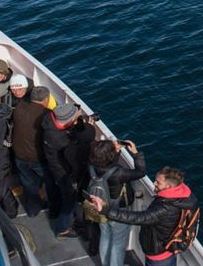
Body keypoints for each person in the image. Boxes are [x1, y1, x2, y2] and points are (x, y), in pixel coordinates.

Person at [88, 167, 198, 266]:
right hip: (166, 251)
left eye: (158, 182)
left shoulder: (165, 208)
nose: (154, 183)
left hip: (158, 256)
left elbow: (138, 218)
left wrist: (105, 210)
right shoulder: (182, 196)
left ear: (169, 186)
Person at [86, 138, 147, 266]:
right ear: (110, 156)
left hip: (100, 206)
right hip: (118, 210)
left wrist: (116, 152)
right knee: (117, 243)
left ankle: (105, 263)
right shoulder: (120, 173)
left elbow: (108, 166)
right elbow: (141, 172)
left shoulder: (91, 166)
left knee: (105, 236)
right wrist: (136, 154)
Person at [41, 102, 97, 239]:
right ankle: (63, 229)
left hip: (54, 167)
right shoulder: (59, 139)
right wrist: (87, 129)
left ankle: (54, 212)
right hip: (63, 174)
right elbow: (74, 150)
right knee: (69, 201)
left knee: (56, 192)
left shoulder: (49, 122)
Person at [10, 84, 51, 217]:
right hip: (37, 157)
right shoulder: (46, 114)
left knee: (28, 184)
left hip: (19, 154)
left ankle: (33, 210)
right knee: (50, 182)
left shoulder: (19, 108)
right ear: (46, 99)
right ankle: (52, 206)